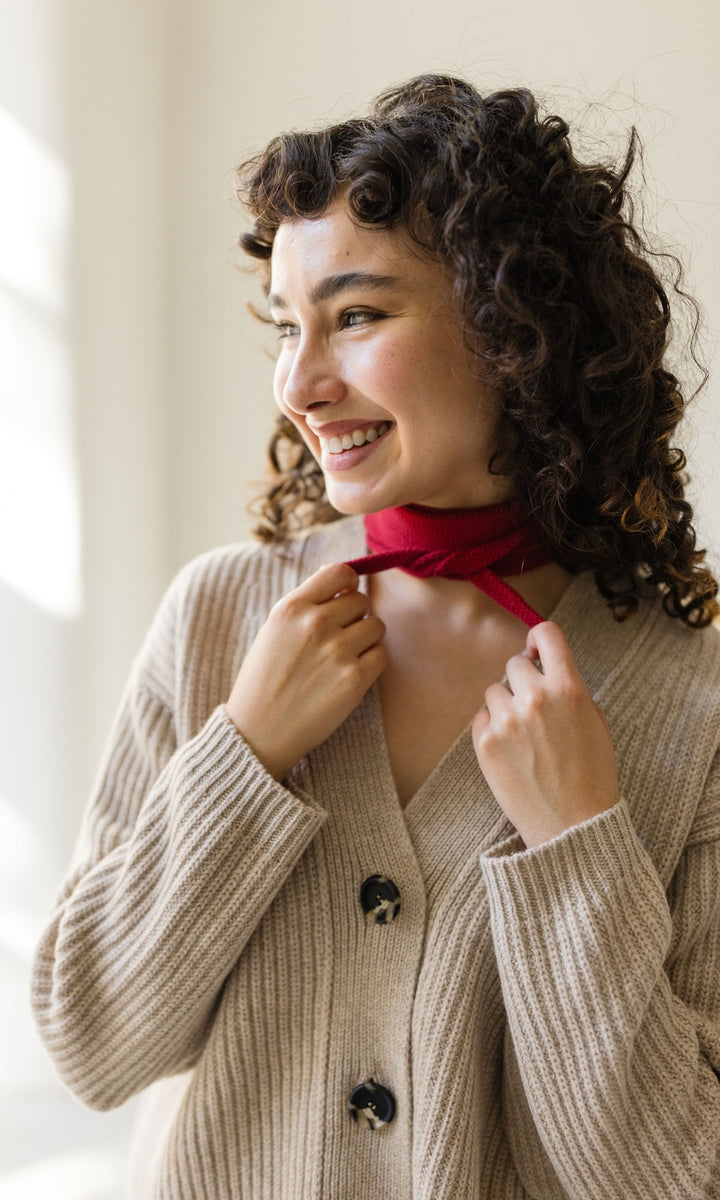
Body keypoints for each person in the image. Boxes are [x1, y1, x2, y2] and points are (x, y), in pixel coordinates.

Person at [32, 74, 720, 1199]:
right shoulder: (220, 618)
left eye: (356, 316)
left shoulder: (693, 698)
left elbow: (678, 1178)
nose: (300, 383)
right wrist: (242, 759)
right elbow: (91, 1041)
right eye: (285, 327)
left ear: (517, 330)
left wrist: (577, 851)